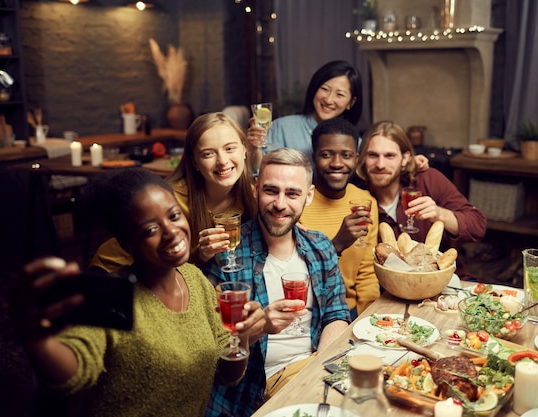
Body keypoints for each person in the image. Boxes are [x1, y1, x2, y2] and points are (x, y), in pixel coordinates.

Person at [9, 168, 266, 416]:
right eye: (150, 230)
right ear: (126, 243)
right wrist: (37, 341)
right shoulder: (111, 296)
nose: (171, 232)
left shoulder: (195, 280)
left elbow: (226, 374)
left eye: (174, 216)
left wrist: (240, 336)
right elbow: (74, 373)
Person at [201, 148, 351, 417]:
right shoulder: (227, 255)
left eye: (292, 193)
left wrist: (318, 373)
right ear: (256, 188)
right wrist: (259, 327)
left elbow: (337, 314)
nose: (280, 204)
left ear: (309, 196)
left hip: (313, 370)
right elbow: (211, 351)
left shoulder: (320, 246)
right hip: (253, 388)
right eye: (271, 190)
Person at [90, 112, 257, 271]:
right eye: (208, 154)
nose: (222, 161)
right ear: (195, 162)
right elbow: (146, 263)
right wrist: (199, 256)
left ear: (244, 150)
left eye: (229, 149)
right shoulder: (169, 200)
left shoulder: (253, 196)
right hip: (119, 274)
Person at [355, 121, 487, 278]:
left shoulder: (427, 179)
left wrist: (440, 214)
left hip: (441, 282)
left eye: (390, 155)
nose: (380, 164)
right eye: (373, 155)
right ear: (363, 158)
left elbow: (478, 226)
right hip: (388, 289)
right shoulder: (357, 198)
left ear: (405, 158)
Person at [300, 118, 379, 317]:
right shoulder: (297, 202)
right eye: (326, 155)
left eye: (346, 155)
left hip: (352, 311)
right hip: (307, 312)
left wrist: (367, 319)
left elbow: (368, 273)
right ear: (314, 157)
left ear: (356, 158)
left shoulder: (365, 202)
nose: (337, 164)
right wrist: (336, 244)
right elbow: (296, 273)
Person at [247, 60, 363, 168]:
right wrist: (255, 147)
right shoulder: (282, 128)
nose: (328, 100)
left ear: (351, 103)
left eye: (340, 94)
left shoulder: (355, 142)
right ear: (314, 89)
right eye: (324, 89)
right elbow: (261, 172)